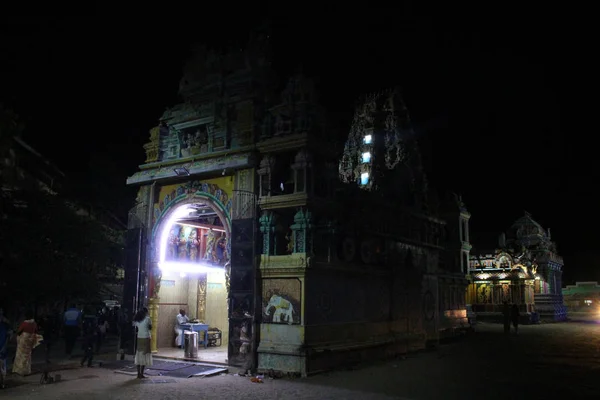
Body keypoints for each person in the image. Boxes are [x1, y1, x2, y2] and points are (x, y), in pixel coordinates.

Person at [13, 311, 41, 376]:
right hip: (30, 340)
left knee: (20, 355)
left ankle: (19, 370)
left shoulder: (24, 323)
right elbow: (36, 331)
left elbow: (19, 331)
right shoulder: (34, 323)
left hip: (23, 340)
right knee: (28, 355)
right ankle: (27, 370)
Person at [133, 307, 152, 379]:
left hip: (139, 338)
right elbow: (150, 328)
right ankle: (142, 373)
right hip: (146, 338)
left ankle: (138, 373)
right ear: (146, 312)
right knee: (145, 355)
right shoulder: (148, 319)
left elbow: (136, 326)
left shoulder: (137, 320)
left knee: (139, 354)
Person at [0, 308, 13, 389]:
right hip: (2, 348)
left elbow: (9, 336)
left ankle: (2, 383)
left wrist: (4, 347)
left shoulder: (5, 325)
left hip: (2, 349)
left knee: (2, 368)